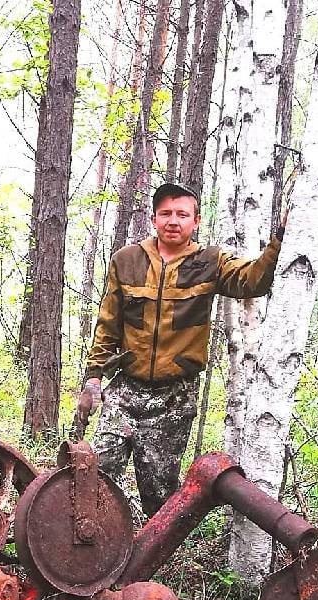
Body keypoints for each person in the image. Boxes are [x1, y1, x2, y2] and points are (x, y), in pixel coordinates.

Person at [75, 183, 283, 517]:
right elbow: (108, 323)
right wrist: (94, 378)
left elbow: (253, 280)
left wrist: (280, 237)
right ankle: (93, 553)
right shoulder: (126, 261)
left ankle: (145, 561)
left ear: (196, 220)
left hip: (174, 396)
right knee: (96, 477)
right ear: (154, 218)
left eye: (182, 214)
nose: (174, 221)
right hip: (126, 389)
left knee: (158, 494)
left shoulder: (209, 262)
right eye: (167, 214)